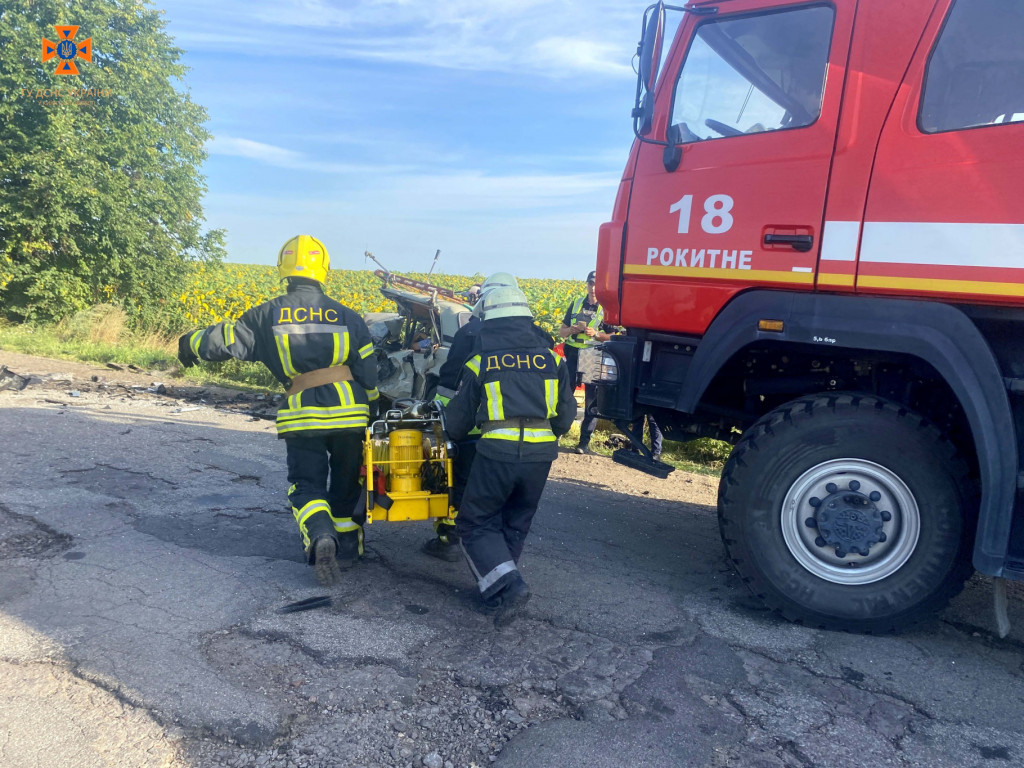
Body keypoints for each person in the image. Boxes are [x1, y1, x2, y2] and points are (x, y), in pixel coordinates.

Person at [177, 235, 379, 586]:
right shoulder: (348, 316)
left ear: (283, 270)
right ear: (324, 270)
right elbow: (368, 372)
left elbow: (224, 340)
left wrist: (188, 342)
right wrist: (371, 408)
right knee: (348, 482)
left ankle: (320, 533)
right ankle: (348, 547)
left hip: (303, 415)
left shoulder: (267, 314)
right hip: (350, 413)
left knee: (307, 483)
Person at [443, 286, 577, 627]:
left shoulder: (481, 360)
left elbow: (457, 424)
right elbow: (564, 418)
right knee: (515, 520)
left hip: (497, 452)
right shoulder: (555, 359)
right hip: (541, 455)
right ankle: (498, 591)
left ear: (489, 319)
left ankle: (509, 585)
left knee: (474, 522)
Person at [423, 273, 520, 562]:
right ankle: (499, 543)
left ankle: (450, 537)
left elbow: (451, 378)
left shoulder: (472, 331)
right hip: (517, 430)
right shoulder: (532, 334)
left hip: (474, 423)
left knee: (458, 479)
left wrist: (440, 416)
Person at [558, 270, 614, 454]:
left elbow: (614, 336)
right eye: (591, 283)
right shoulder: (575, 303)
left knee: (592, 402)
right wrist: (571, 330)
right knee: (565, 396)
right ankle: (556, 435)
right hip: (573, 354)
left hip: (592, 355)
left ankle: (583, 443)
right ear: (587, 284)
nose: (593, 288)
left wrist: (596, 334)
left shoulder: (607, 308)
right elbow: (561, 332)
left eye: (597, 284)